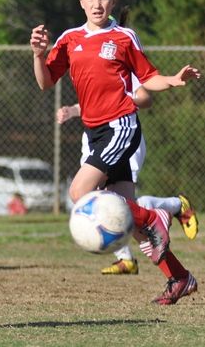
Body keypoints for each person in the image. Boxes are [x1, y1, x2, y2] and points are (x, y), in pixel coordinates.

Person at [30, 0, 201, 304]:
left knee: (80, 192)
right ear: (81, 1)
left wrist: (173, 79)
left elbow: (148, 77)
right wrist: (38, 55)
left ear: (114, 1)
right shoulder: (69, 39)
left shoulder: (124, 37)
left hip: (121, 126)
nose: (97, 3)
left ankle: (157, 216)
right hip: (94, 132)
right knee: (129, 219)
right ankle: (179, 277)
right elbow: (45, 81)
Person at [58, 98, 198, 275]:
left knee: (111, 203)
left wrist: (123, 103)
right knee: (119, 206)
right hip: (95, 136)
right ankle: (174, 275)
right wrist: (72, 110)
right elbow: (93, 98)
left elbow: (143, 96)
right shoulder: (82, 72)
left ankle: (174, 207)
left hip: (121, 133)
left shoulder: (122, 71)